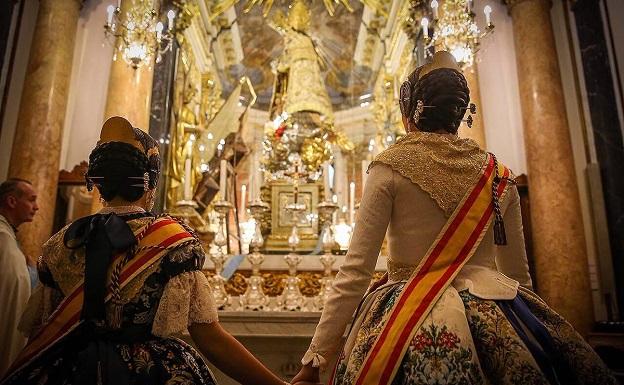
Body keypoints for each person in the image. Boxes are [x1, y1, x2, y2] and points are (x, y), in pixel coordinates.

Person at [292, 51, 616, 385]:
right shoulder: (499, 175)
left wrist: (315, 360)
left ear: (410, 110)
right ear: (461, 114)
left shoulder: (389, 166)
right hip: (498, 313)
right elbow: (517, 274)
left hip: (404, 317)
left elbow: (356, 272)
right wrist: (531, 330)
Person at [1, 117, 319, 385]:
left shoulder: (60, 244)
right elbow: (209, 336)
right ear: (150, 183)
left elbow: (42, 334)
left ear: (97, 183)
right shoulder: (172, 242)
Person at [0, 178, 38, 377]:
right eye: (32, 200)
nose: (37, 207)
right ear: (12, 202)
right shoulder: (2, 238)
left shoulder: (8, 236)